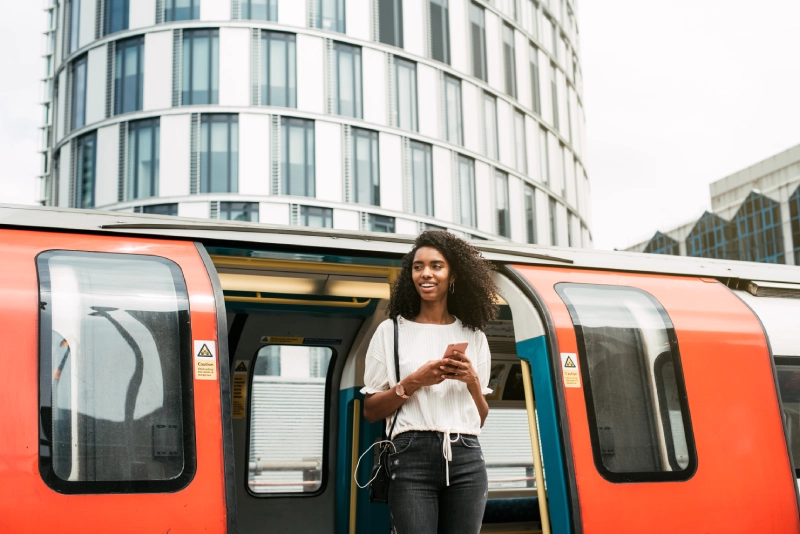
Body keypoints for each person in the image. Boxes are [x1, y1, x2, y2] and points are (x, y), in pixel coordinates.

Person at [361, 230, 498, 534]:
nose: (426, 273)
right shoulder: (390, 332)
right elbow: (371, 411)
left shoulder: (474, 336)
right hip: (411, 457)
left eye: (436, 266)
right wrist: (412, 382)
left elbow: (482, 416)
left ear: (452, 275)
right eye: (418, 266)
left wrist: (473, 382)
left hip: (467, 457)